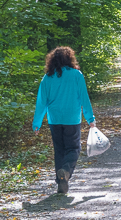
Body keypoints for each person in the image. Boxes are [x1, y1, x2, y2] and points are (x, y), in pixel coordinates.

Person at [32, 46, 95, 195]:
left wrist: (37, 123)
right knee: (73, 148)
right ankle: (65, 171)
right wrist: (90, 118)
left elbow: (41, 102)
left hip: (54, 119)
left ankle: (61, 183)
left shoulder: (47, 77)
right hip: (72, 118)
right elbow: (84, 98)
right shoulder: (76, 75)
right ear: (70, 59)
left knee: (59, 150)